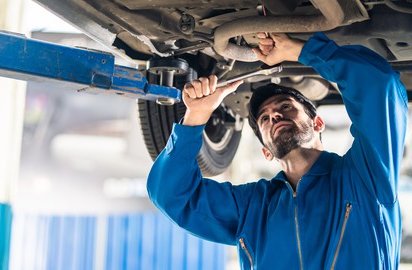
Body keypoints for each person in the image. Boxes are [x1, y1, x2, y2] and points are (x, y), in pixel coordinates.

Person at [147, 32, 408, 269]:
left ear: (317, 123)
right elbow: (173, 197)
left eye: (286, 107)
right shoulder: (254, 207)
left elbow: (380, 87)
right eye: (264, 118)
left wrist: (301, 51)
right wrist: (196, 116)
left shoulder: (364, 178)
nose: (273, 115)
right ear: (266, 152)